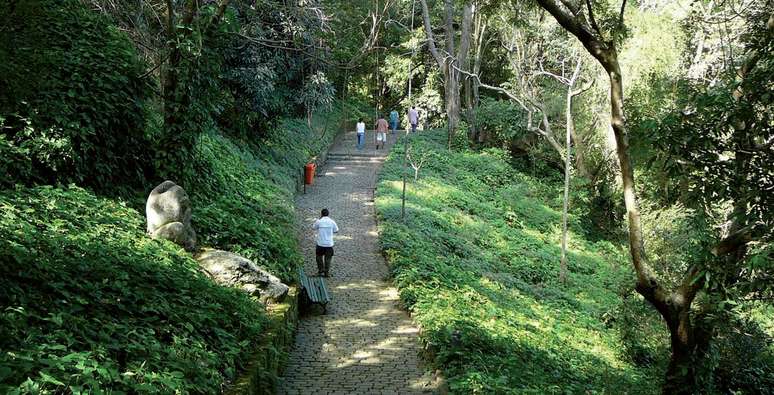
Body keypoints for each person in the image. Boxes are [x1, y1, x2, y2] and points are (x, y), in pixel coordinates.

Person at [313, 208, 339, 277]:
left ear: (321, 214)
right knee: (328, 259)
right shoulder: (332, 221)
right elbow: (336, 230)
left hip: (320, 243)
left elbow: (314, 227)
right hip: (329, 244)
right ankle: (326, 272)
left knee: (318, 257)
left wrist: (319, 219)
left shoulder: (319, 221)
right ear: (328, 214)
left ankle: (321, 270)